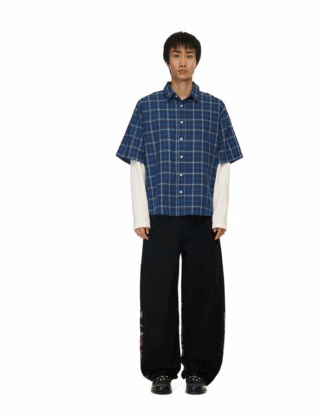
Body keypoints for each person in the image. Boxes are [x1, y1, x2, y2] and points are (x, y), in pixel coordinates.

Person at [115, 31, 243, 395]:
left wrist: (220, 216)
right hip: (160, 217)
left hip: (203, 218)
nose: (182, 61)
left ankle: (198, 371)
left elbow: (224, 163)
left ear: (197, 60)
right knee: (158, 294)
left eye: (189, 55)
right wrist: (140, 216)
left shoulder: (215, 108)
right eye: (176, 55)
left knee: (204, 295)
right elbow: (136, 162)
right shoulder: (147, 107)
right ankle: (160, 370)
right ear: (167, 60)